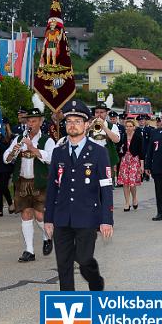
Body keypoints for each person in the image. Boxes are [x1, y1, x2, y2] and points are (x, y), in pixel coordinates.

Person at [44, 99, 113, 291]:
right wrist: (48, 219)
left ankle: (95, 282)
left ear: (87, 124)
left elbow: (106, 188)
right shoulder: (58, 152)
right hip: (62, 216)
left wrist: (106, 219)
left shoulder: (99, 152)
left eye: (77, 121)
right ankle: (69, 310)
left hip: (88, 216)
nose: (72, 125)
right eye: (69, 121)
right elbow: (52, 188)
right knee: (63, 265)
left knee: (83, 260)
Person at [4, 107, 55, 263]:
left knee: (39, 215)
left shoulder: (47, 140)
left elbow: (51, 158)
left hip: (40, 181)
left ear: (40, 122)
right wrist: (14, 150)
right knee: (25, 214)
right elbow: (6, 158)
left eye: (34, 121)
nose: (30, 124)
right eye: (28, 121)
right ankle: (29, 250)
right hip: (22, 181)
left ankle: (47, 236)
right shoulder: (19, 138)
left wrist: (33, 149)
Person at [116, 119, 143, 212]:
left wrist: (142, 165)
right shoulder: (123, 136)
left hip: (134, 161)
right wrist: (117, 163)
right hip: (124, 161)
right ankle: (127, 202)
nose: (128, 128)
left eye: (130, 126)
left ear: (134, 127)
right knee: (125, 183)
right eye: (127, 126)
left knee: (132, 183)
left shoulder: (138, 137)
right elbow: (118, 150)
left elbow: (141, 152)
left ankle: (134, 198)